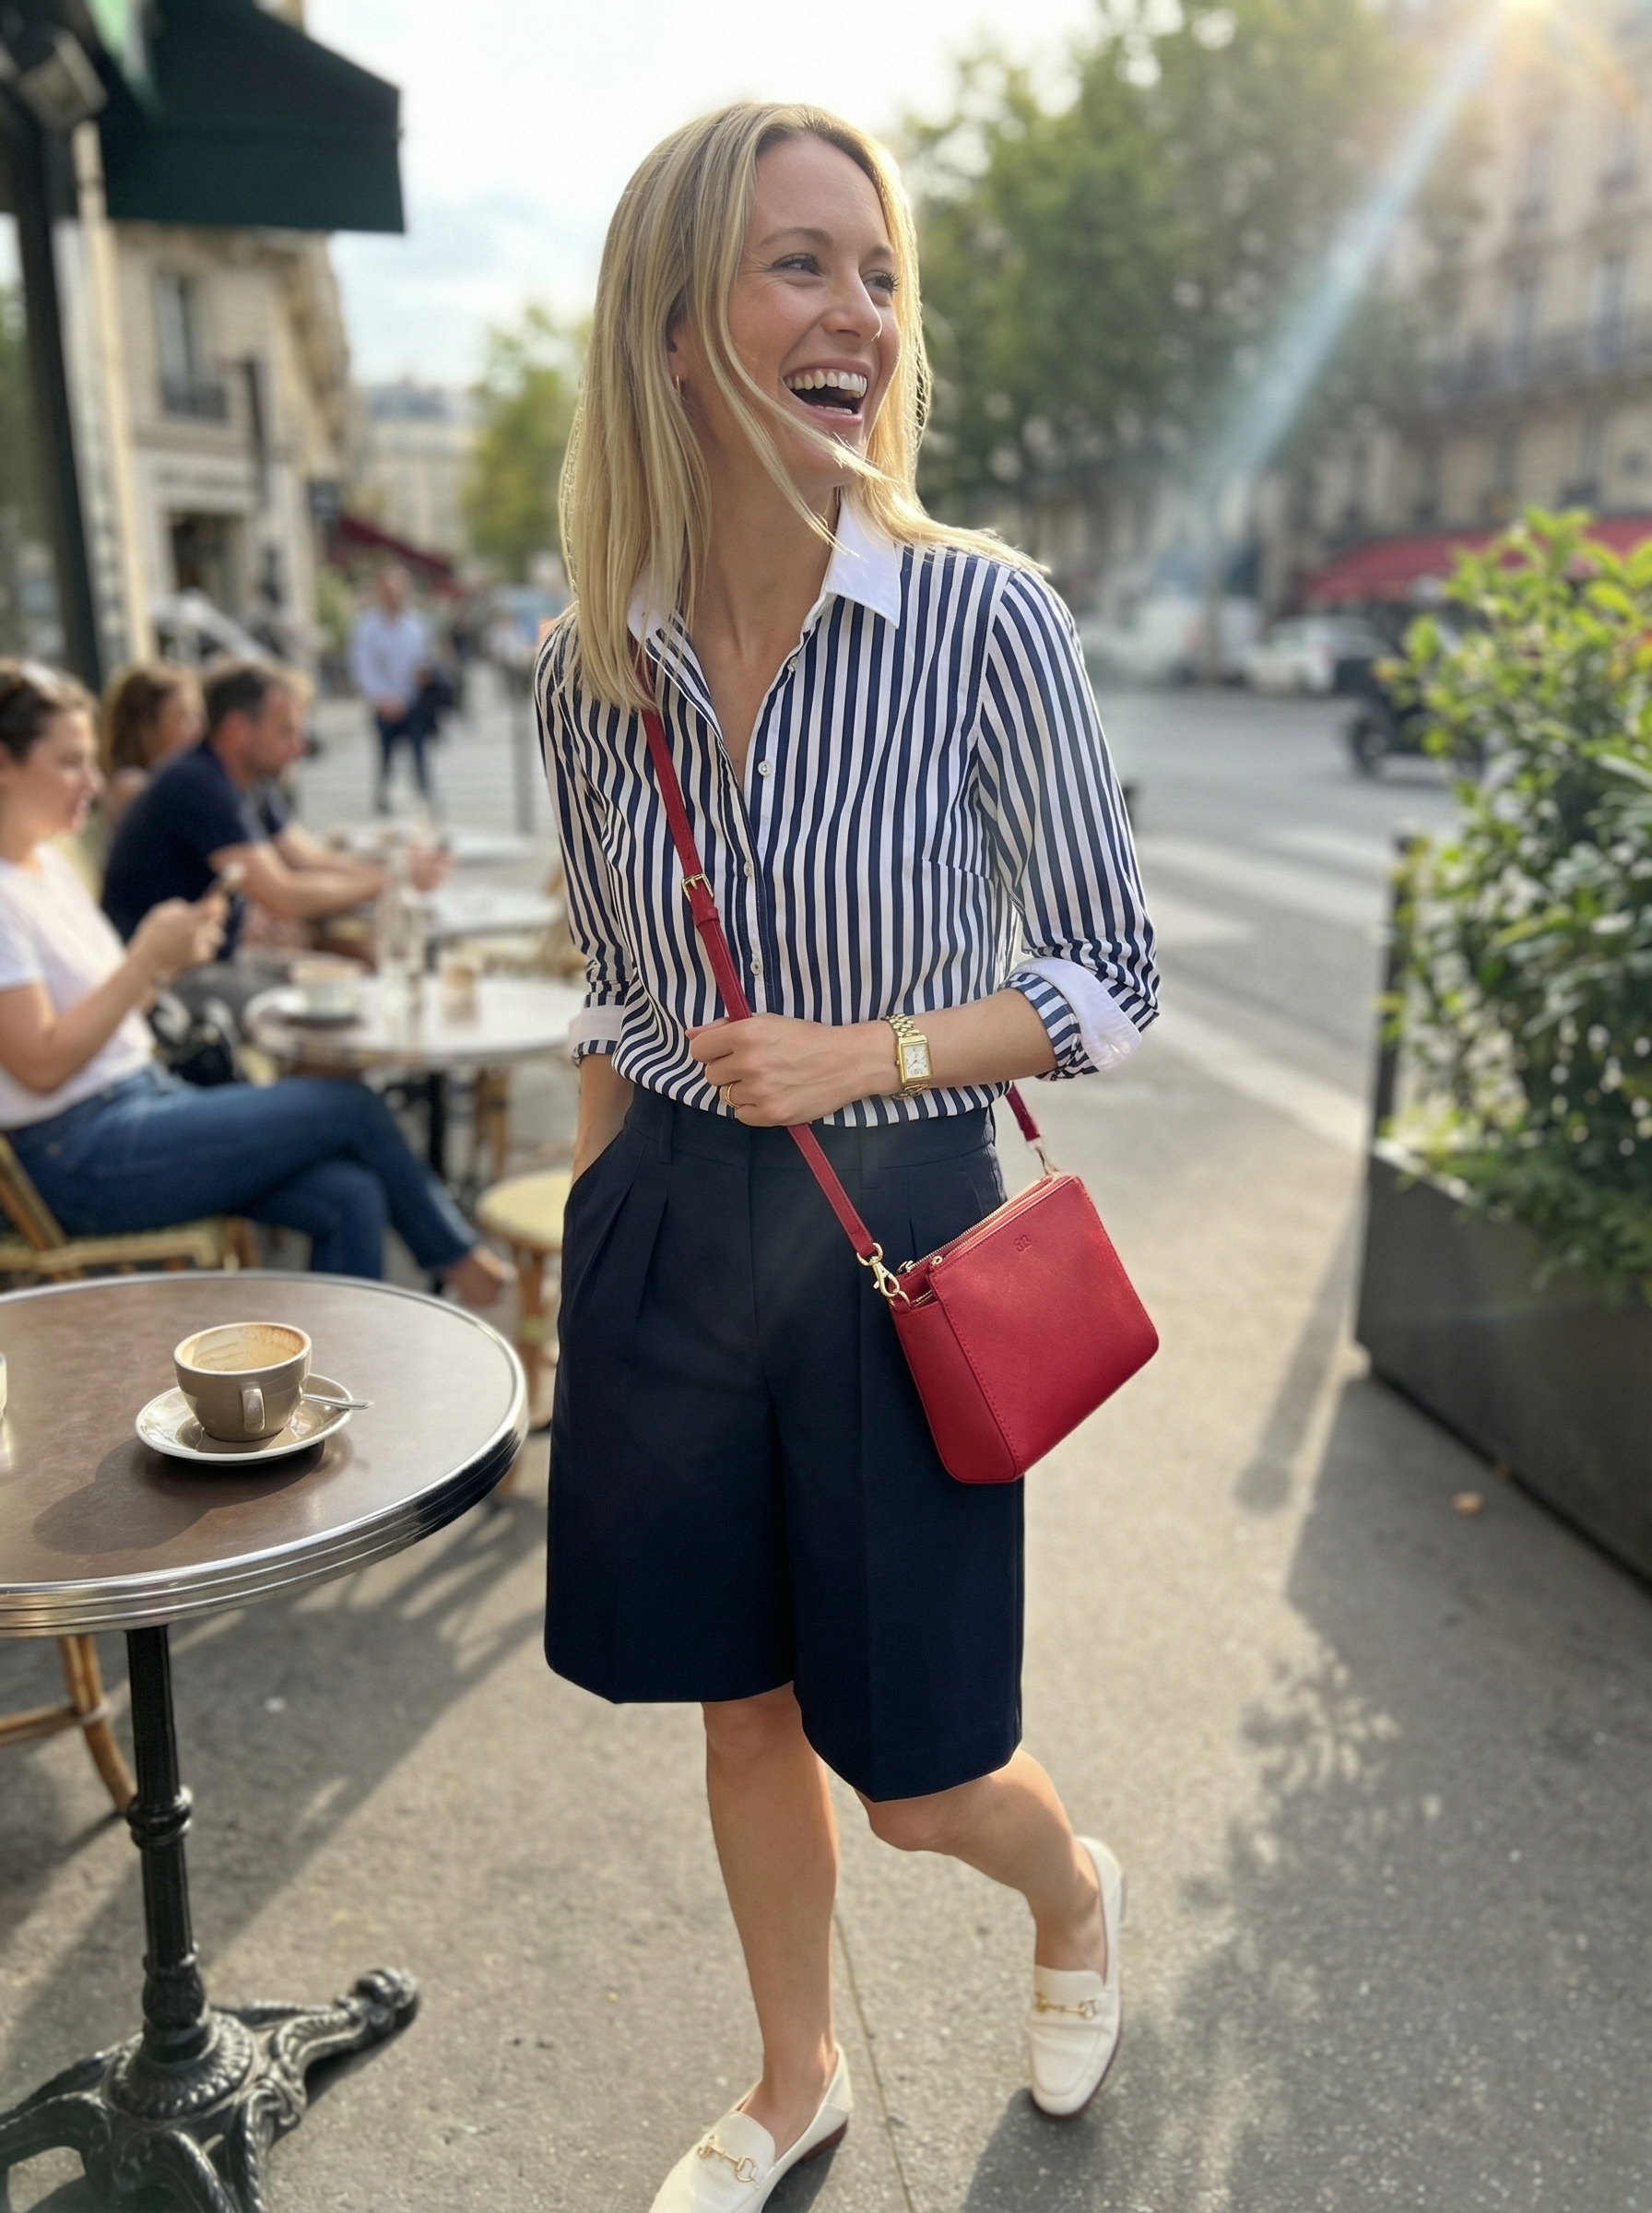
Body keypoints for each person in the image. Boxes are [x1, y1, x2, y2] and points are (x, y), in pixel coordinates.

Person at [538, 103, 1158, 2212]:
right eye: (802, 264)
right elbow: (617, 992)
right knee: (736, 1707)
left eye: (878, 271)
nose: (859, 315)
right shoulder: (584, 661)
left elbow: (1114, 977)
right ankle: (797, 2068)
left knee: (918, 1767)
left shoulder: (984, 621)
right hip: (669, 1223)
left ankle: (1068, 1887)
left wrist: (866, 1048)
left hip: (890, 1222)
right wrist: (579, 1271)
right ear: (677, 317)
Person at [0, 659, 507, 1299]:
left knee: (351, 1192)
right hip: (78, 1152)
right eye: (71, 762)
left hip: (138, 1099)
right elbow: (40, 1065)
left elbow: (109, 1014)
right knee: (348, 1104)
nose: (95, 782)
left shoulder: (43, 863)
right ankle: (459, 1258)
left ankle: (336, 1388)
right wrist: (144, 962)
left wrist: (167, 961)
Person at [100, 660, 444, 1015]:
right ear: (237, 730)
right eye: (285, 731)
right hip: (164, 983)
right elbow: (283, 894)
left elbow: (309, 860)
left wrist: (397, 869)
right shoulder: (196, 782)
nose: (299, 745)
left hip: (219, 959)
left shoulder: (246, 778)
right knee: (336, 1009)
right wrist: (392, 879)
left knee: (362, 969)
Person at [349, 567, 437, 811]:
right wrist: (382, 698)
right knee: (385, 754)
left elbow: (426, 657)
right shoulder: (367, 627)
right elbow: (363, 667)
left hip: (413, 700)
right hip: (385, 703)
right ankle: (383, 794)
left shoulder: (416, 624)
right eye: (389, 591)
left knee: (420, 750)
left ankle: (425, 792)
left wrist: (425, 674)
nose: (394, 595)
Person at [96, 662, 205, 841]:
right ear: (146, 732)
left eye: (197, 717)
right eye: (185, 720)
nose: (198, 731)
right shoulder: (132, 788)